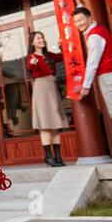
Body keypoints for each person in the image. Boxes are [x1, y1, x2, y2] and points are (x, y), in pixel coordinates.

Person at [27, 31, 68, 167]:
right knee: (45, 124)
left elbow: (63, 57)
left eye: (42, 37)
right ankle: (49, 157)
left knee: (56, 124)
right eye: (38, 38)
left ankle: (58, 156)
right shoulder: (31, 57)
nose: (41, 40)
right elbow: (30, 66)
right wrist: (33, 63)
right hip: (41, 89)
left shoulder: (49, 55)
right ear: (32, 42)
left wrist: (62, 46)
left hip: (53, 88)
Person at [71, 0, 112, 119]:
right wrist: (78, 1)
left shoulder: (94, 36)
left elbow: (92, 62)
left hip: (108, 76)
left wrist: (86, 86)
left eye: (81, 20)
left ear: (89, 18)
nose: (79, 24)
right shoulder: (98, 26)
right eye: (76, 22)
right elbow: (84, 12)